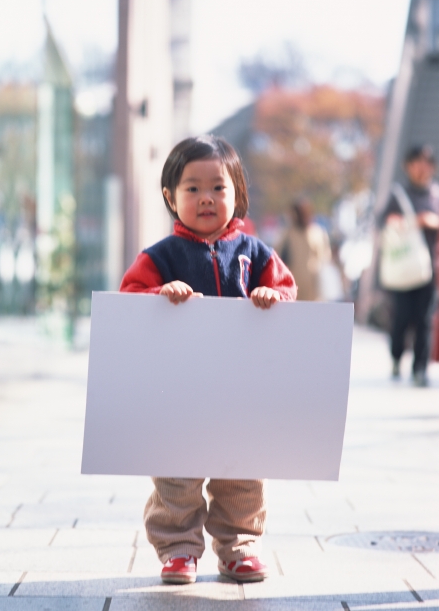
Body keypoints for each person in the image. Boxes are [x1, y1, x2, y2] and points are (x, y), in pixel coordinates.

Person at [120, 135, 297, 584]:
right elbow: (128, 301)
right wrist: (159, 293)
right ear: (169, 197)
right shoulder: (160, 257)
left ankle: (240, 544)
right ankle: (178, 549)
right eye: (192, 188)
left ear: (237, 193)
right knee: (176, 475)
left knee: (242, 474)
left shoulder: (256, 254)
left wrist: (272, 295)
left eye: (218, 188)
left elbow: (289, 293)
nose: (206, 198)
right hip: (178, 395)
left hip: (241, 394)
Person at [380, 145, 439, 387]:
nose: (421, 167)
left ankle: (420, 369)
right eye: (416, 162)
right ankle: (396, 357)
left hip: (429, 269)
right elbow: (385, 221)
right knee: (401, 319)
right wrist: (417, 221)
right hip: (403, 268)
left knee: (425, 319)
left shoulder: (436, 195)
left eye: (426, 162)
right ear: (408, 166)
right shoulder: (399, 194)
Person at [279, 197, 331, 301]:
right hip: (293, 289)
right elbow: (279, 259)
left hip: (314, 291)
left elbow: (325, 258)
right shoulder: (287, 235)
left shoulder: (317, 233)